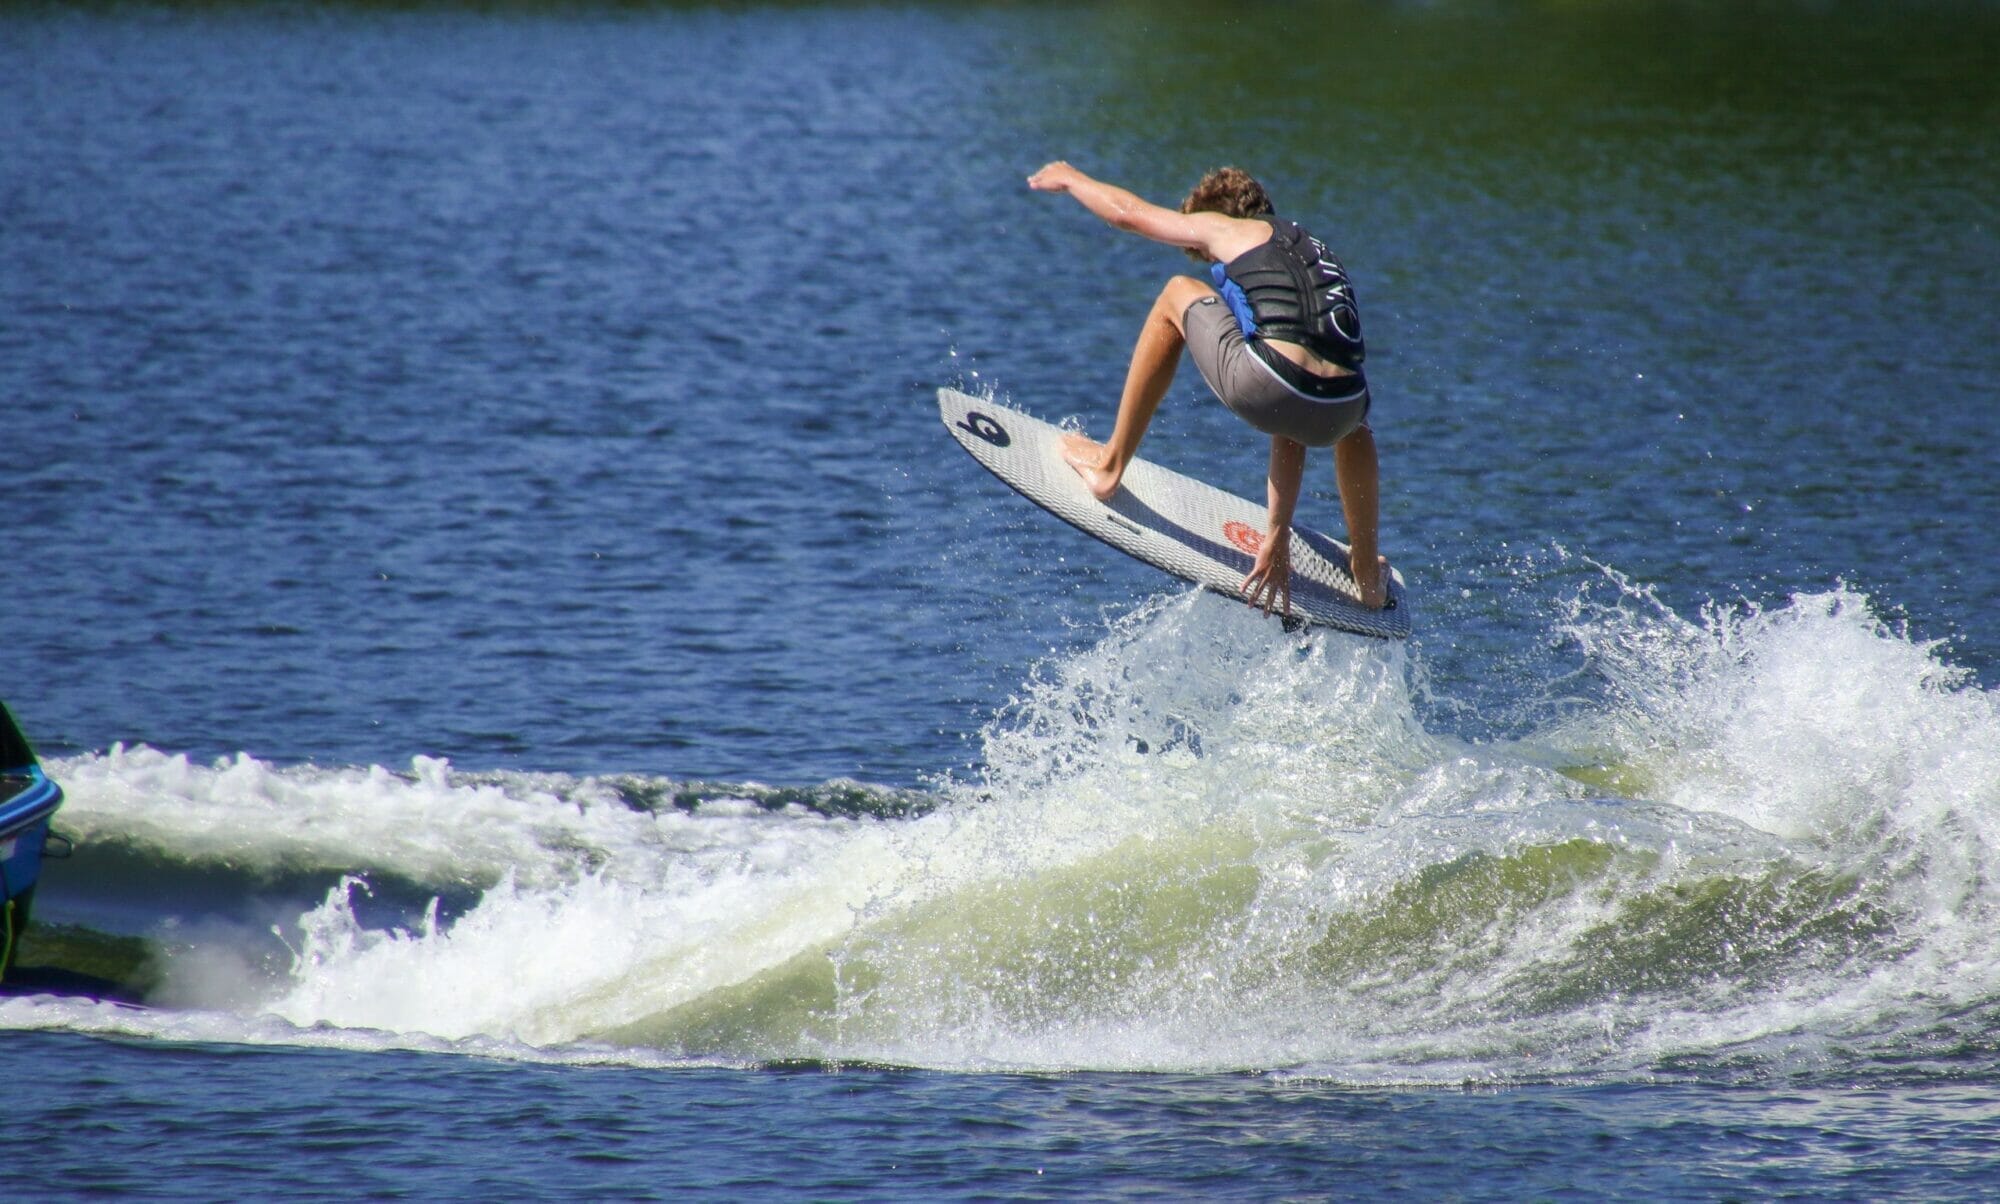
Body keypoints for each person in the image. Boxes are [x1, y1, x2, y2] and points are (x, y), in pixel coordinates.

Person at [1026, 160, 1388, 615]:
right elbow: (1297, 407)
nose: (1212, 261)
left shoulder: (1228, 229)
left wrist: (1073, 179)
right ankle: (1366, 570)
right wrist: (1276, 535)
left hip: (1272, 387)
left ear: (1219, 217)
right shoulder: (1311, 250)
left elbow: (1127, 212)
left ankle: (1108, 466)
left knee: (1177, 292)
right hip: (1342, 410)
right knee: (1349, 416)